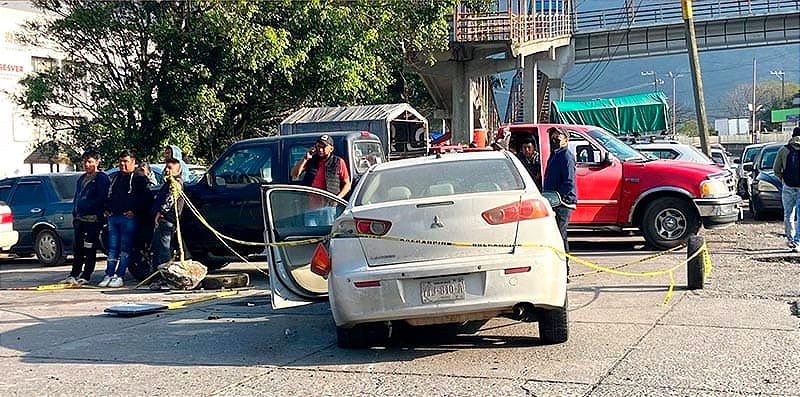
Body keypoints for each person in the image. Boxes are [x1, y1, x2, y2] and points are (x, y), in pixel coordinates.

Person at [101, 149, 151, 288]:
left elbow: (146, 198)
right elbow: (109, 195)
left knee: (125, 247)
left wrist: (135, 211)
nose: (122, 164)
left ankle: (120, 275)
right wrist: (106, 208)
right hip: (113, 217)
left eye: (126, 161)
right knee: (112, 248)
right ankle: (109, 273)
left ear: (133, 162)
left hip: (127, 219)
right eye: (120, 161)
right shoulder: (116, 177)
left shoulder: (139, 178)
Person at [62, 151, 110, 286]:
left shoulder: (101, 178)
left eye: (90, 162)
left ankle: (86, 275)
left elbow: (102, 198)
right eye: (85, 162)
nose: (87, 165)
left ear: (97, 162)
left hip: (93, 220)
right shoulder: (82, 179)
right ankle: (74, 274)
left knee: (90, 248)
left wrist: (90, 208)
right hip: (80, 220)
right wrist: (75, 212)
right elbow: (77, 197)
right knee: (77, 248)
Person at [290, 134, 352, 226]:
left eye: (324, 147)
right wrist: (305, 158)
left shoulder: (338, 162)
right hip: (310, 208)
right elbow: (294, 174)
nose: (320, 149)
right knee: (310, 233)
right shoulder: (311, 160)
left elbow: (347, 184)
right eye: (318, 146)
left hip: (329, 208)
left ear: (331, 148)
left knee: (327, 232)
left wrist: (337, 199)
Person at [542, 127, 577, 275]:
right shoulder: (554, 155)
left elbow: (569, 182)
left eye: (558, 137)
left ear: (566, 140)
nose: (555, 140)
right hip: (552, 202)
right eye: (553, 137)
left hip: (562, 203)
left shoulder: (566, 156)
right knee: (556, 236)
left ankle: (564, 270)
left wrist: (558, 197)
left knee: (560, 237)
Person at [149, 158, 185, 283]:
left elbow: (170, 200)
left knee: (164, 250)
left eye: (170, 168)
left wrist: (161, 213)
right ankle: (156, 276)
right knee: (157, 248)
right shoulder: (168, 182)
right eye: (166, 167)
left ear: (178, 170)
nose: (167, 170)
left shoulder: (176, 183)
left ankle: (165, 277)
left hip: (167, 220)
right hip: (163, 221)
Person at [773, 126, 800, 252]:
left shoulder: (784, 150)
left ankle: (790, 240)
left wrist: (783, 180)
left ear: (792, 136)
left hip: (788, 186)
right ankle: (798, 242)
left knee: (789, 214)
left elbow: (776, 169)